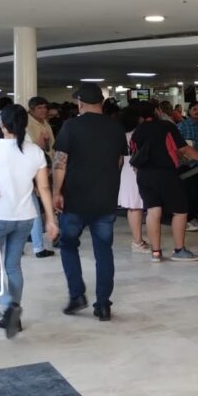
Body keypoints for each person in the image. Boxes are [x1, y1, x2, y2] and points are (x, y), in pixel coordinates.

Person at [0, 105, 59, 338]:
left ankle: (10, 306)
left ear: (1, 125)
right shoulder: (36, 152)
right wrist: (50, 218)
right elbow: (44, 188)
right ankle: (13, 320)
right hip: (26, 217)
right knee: (13, 266)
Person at [52, 83, 128, 321]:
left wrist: (57, 192)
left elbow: (60, 163)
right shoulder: (116, 128)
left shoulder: (71, 126)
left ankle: (77, 295)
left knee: (68, 245)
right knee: (104, 251)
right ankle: (103, 305)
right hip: (105, 200)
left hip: (75, 199)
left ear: (81, 103)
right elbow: (118, 162)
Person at [130, 100, 198, 262]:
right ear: (157, 111)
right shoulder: (167, 126)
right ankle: (179, 250)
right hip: (166, 173)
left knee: (153, 211)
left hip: (144, 176)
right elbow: (183, 149)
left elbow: (134, 154)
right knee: (180, 210)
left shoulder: (137, 131)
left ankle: (156, 252)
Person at [26, 96, 56, 259]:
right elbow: (33, 149)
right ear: (31, 110)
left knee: (38, 206)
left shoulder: (45, 123)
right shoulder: (28, 125)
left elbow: (52, 145)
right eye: (39, 108)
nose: (43, 110)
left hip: (46, 166)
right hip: (36, 170)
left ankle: (34, 239)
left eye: (45, 107)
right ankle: (38, 244)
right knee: (37, 207)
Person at [119, 106, 150, 253]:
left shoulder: (121, 134)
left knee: (133, 207)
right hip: (137, 171)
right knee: (136, 206)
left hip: (126, 171)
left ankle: (138, 240)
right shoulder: (139, 133)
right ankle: (137, 242)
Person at [176, 101, 198, 231]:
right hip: (185, 166)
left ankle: (192, 217)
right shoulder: (181, 126)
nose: (197, 111)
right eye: (194, 109)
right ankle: (185, 220)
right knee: (186, 193)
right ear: (189, 111)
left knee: (196, 193)